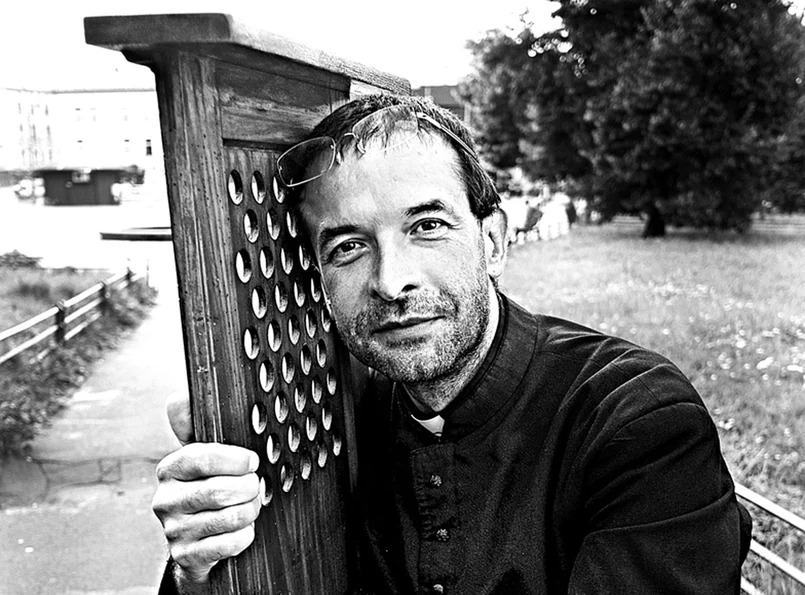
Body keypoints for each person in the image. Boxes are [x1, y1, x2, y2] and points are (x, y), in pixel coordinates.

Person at [152, 94, 752, 594]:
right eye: (348, 247)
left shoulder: (637, 423)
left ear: (493, 242)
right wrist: (201, 573)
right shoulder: (341, 425)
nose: (391, 282)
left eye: (427, 227)